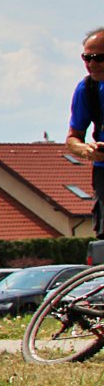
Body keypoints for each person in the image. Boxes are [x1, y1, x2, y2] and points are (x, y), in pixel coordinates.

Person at [68, 27, 104, 236]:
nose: (91, 64)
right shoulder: (87, 89)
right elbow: (73, 138)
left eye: (98, 58)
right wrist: (86, 150)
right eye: (86, 58)